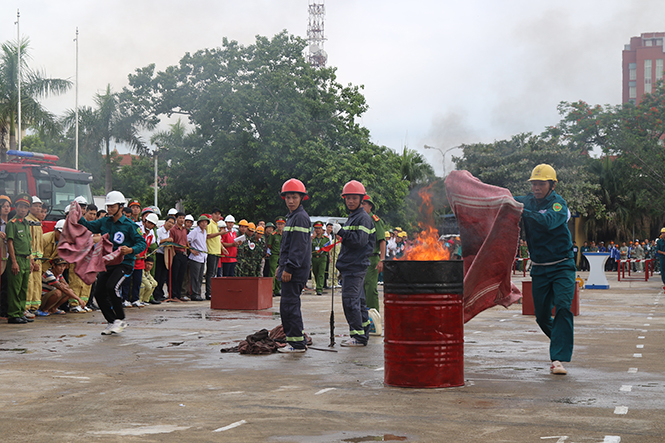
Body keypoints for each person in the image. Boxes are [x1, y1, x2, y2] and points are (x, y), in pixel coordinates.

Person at [514, 164, 575, 375]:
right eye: (534, 184)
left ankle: (558, 358)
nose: (536, 188)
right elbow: (507, 200)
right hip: (539, 268)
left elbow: (548, 222)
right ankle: (561, 340)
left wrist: (523, 211)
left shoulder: (559, 204)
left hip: (562, 266)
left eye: (541, 184)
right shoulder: (526, 201)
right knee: (541, 316)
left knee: (563, 307)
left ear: (552, 185)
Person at [78, 191, 147, 335]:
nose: (109, 209)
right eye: (108, 206)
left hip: (125, 263)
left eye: (112, 206)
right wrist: (77, 214)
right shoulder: (104, 222)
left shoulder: (130, 225)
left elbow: (142, 243)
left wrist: (131, 250)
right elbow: (89, 226)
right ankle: (111, 321)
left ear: (121, 207)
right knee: (98, 292)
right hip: (108, 263)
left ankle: (120, 319)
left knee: (112, 287)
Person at [334, 180, 376, 347]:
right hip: (351, 266)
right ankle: (363, 332)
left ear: (361, 199)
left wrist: (341, 232)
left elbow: (359, 242)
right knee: (358, 302)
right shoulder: (353, 217)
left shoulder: (362, 218)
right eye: (348, 198)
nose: (350, 201)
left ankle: (358, 337)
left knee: (350, 301)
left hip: (355, 267)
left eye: (354, 198)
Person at [276, 178, 312, 353]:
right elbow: (287, 247)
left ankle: (297, 344)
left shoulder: (300, 218)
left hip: (295, 271)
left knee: (290, 306)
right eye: (288, 197)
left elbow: (298, 247)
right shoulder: (293, 217)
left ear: (301, 198)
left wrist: (289, 268)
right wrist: (281, 266)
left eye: (294, 197)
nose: (290, 201)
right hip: (289, 268)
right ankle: (294, 340)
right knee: (287, 306)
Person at [5, 194, 35, 324]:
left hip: (25, 259)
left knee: (23, 288)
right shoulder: (12, 223)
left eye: (26, 207)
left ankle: (20, 312)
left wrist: (30, 260)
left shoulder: (26, 223)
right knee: (14, 288)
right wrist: (14, 262)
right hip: (16, 258)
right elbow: (10, 243)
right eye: (21, 207)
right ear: (16, 208)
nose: (23, 210)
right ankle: (13, 314)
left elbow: (28, 243)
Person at [361, 195, 386, 312]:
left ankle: (373, 316)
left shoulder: (375, 220)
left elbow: (382, 240)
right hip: (360, 258)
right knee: (361, 288)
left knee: (370, 288)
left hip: (372, 258)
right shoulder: (359, 219)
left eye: (364, 204)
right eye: (360, 204)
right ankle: (363, 315)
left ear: (370, 206)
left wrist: (382, 259)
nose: (361, 206)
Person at [26, 196, 44, 316]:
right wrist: (32, 259)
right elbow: (29, 243)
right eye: (36, 206)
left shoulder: (37, 222)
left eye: (39, 206)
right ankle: (27, 307)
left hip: (38, 260)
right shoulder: (28, 221)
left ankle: (34, 307)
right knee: (29, 283)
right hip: (31, 259)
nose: (38, 208)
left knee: (37, 283)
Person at [153, 215, 176, 301]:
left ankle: (161, 293)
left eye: (172, 223)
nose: (170, 224)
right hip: (159, 254)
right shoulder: (159, 231)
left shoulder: (169, 232)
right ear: (165, 222)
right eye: (169, 222)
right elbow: (157, 242)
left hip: (166, 255)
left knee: (163, 276)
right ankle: (156, 294)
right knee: (158, 275)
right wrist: (166, 240)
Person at [205, 208, 226, 299]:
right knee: (210, 273)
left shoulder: (217, 224)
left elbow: (217, 239)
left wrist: (223, 248)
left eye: (219, 214)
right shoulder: (210, 223)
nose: (218, 216)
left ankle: (212, 291)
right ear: (212, 214)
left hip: (217, 252)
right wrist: (219, 233)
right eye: (216, 214)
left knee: (214, 273)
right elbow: (208, 236)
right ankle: (208, 293)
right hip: (211, 251)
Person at [187, 215, 209, 301]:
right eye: (202, 222)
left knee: (200, 277)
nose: (204, 224)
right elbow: (186, 240)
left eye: (206, 222)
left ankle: (198, 293)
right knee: (195, 277)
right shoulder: (195, 231)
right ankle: (194, 294)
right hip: (195, 258)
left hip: (203, 257)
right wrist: (191, 250)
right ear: (199, 223)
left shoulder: (204, 232)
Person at [267, 217, 285, 296]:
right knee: (272, 273)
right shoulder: (273, 234)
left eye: (281, 224)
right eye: (278, 224)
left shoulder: (286, 234)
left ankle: (278, 289)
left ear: (284, 225)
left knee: (280, 273)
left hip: (283, 256)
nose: (280, 226)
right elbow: (269, 245)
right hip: (274, 255)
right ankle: (272, 290)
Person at [311, 221, 328, 295]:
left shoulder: (325, 239)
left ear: (322, 229)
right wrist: (312, 239)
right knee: (315, 272)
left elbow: (328, 248)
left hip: (322, 258)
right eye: (316, 228)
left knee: (321, 273)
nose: (318, 230)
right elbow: (308, 247)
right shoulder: (312, 238)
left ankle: (319, 289)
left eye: (319, 228)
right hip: (314, 258)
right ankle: (318, 285)